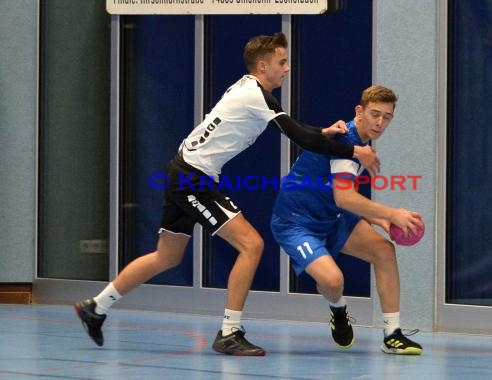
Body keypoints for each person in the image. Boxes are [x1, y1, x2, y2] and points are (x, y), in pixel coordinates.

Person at [73, 32, 379, 356]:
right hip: (193, 179)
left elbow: (301, 131)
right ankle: (229, 332)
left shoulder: (249, 89)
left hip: (183, 171)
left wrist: (324, 132)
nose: (287, 68)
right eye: (282, 62)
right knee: (252, 244)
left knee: (167, 256)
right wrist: (354, 149)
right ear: (263, 66)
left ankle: (96, 306)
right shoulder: (255, 96)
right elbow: (299, 136)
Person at [270, 85, 424, 355]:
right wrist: (391, 214)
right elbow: (345, 197)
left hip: (332, 217)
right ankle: (338, 310)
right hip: (296, 222)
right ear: (359, 111)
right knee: (332, 281)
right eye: (375, 114)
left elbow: (338, 197)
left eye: (386, 117)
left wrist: (377, 220)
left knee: (384, 251)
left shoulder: (360, 143)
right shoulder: (345, 140)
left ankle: (392, 335)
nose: (379, 122)